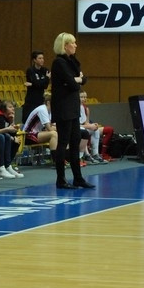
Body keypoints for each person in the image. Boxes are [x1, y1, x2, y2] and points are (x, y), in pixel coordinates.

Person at [50, 32, 95, 190]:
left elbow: (82, 80)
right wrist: (76, 80)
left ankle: (78, 178)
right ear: (65, 45)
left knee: (75, 142)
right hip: (63, 107)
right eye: (73, 43)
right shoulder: (59, 62)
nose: (75, 45)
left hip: (73, 106)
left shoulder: (71, 62)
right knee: (63, 143)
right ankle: (60, 179)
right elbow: (74, 84)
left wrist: (76, 79)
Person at [22, 50, 50, 124]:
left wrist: (32, 84)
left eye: (43, 58)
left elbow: (45, 86)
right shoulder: (30, 70)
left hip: (40, 99)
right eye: (39, 58)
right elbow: (38, 83)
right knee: (28, 120)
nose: (42, 60)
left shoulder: (45, 70)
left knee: (39, 121)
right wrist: (45, 79)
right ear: (34, 60)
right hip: (31, 99)